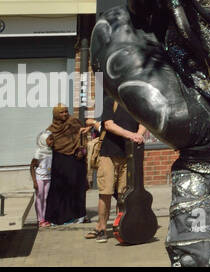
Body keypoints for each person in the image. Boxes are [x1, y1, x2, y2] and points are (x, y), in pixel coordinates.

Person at [89, 94, 143, 242]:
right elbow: (108, 125)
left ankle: (121, 227)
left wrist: (139, 134)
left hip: (128, 155)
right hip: (109, 154)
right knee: (105, 192)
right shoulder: (110, 100)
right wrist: (132, 135)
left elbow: (144, 122)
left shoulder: (136, 102)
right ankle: (101, 228)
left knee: (124, 194)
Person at [43, 105, 88, 226]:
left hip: (75, 160)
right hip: (60, 162)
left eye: (66, 112)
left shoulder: (73, 123)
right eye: (61, 112)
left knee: (75, 188)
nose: (64, 114)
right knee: (59, 189)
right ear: (56, 114)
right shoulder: (51, 129)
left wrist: (81, 149)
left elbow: (83, 137)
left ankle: (77, 215)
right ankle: (58, 217)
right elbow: (48, 143)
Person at [30, 129, 53, 227]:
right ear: (43, 140)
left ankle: (44, 218)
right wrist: (34, 181)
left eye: (52, 139)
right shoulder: (39, 152)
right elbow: (31, 166)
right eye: (50, 139)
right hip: (39, 178)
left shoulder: (51, 151)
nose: (52, 141)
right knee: (40, 197)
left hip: (48, 177)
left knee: (46, 197)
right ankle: (40, 219)